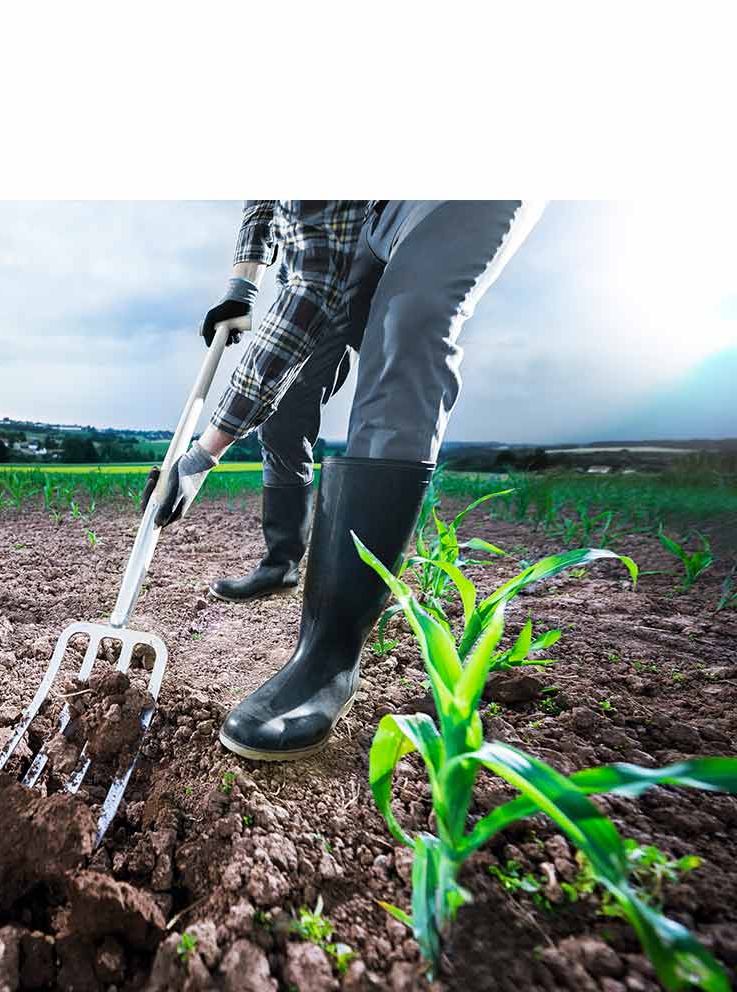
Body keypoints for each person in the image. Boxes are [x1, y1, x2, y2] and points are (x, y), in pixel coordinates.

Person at [152, 200, 544, 761]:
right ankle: (282, 562)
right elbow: (268, 200)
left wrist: (202, 455)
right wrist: (242, 285)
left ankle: (327, 655)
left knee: (408, 322)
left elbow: (310, 289)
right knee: (288, 404)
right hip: (367, 214)